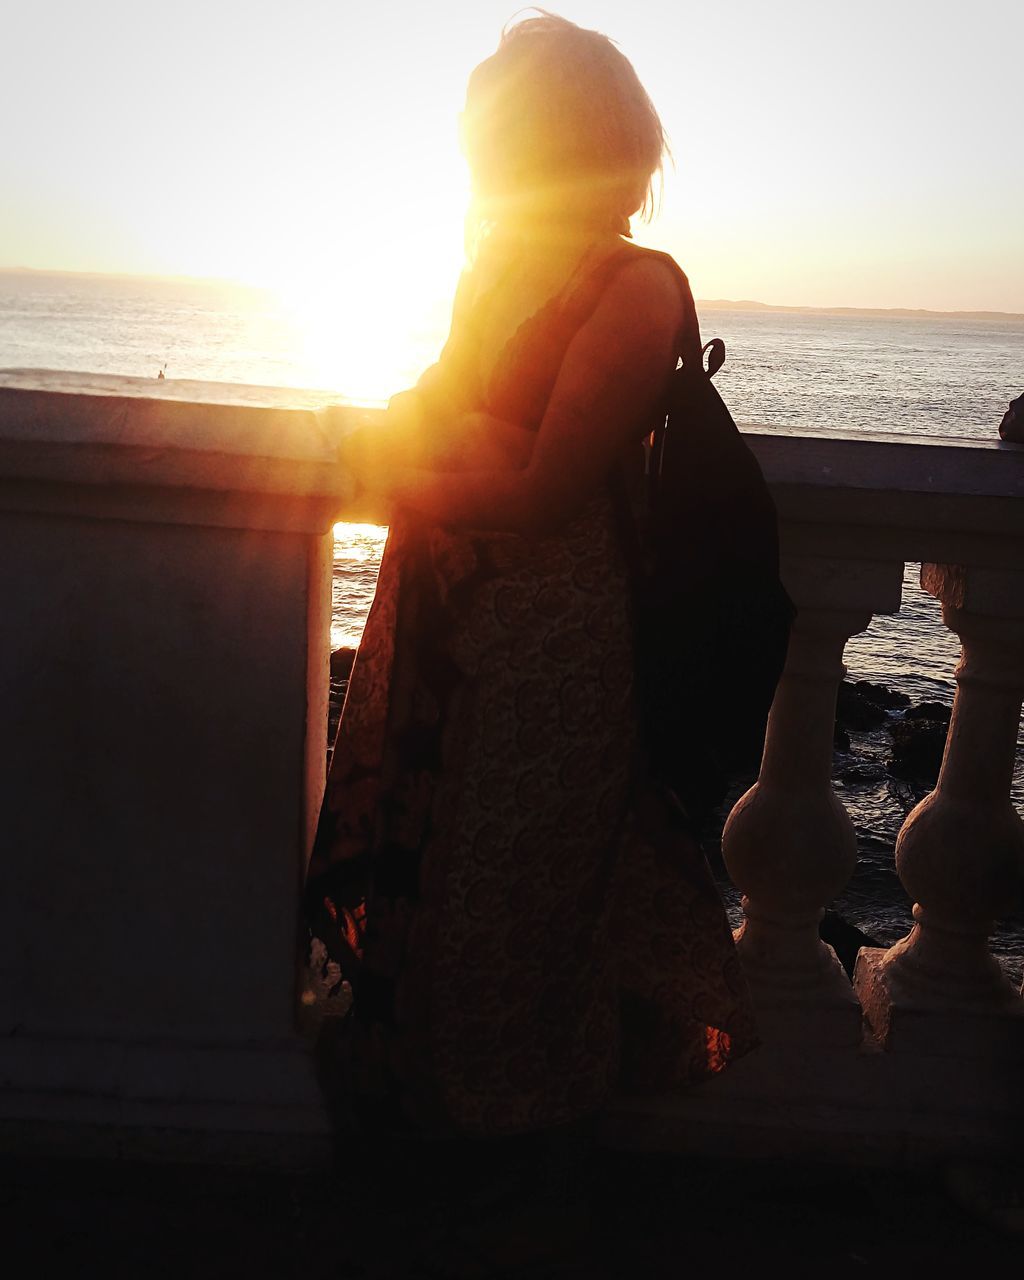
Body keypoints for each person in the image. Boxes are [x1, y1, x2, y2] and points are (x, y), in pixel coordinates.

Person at [306, 11, 756, 1144]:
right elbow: (445, 402)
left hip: (547, 640)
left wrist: (402, 470)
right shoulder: (498, 263)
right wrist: (401, 436)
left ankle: (517, 1156)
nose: (472, 138)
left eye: (493, 116)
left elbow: (548, 486)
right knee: (433, 868)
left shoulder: (633, 286)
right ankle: (438, 1126)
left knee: (516, 898)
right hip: (446, 611)